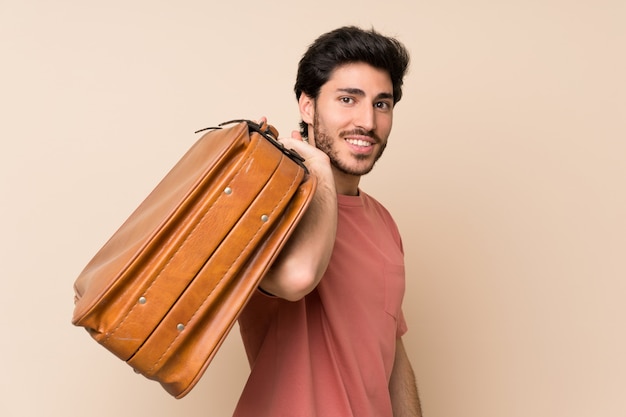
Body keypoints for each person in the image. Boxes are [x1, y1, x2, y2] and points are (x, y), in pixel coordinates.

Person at [233, 26, 421, 417]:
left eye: (381, 104)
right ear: (307, 105)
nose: (367, 121)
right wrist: (316, 167)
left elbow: (391, 354)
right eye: (348, 99)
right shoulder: (267, 203)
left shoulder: (384, 223)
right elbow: (297, 279)